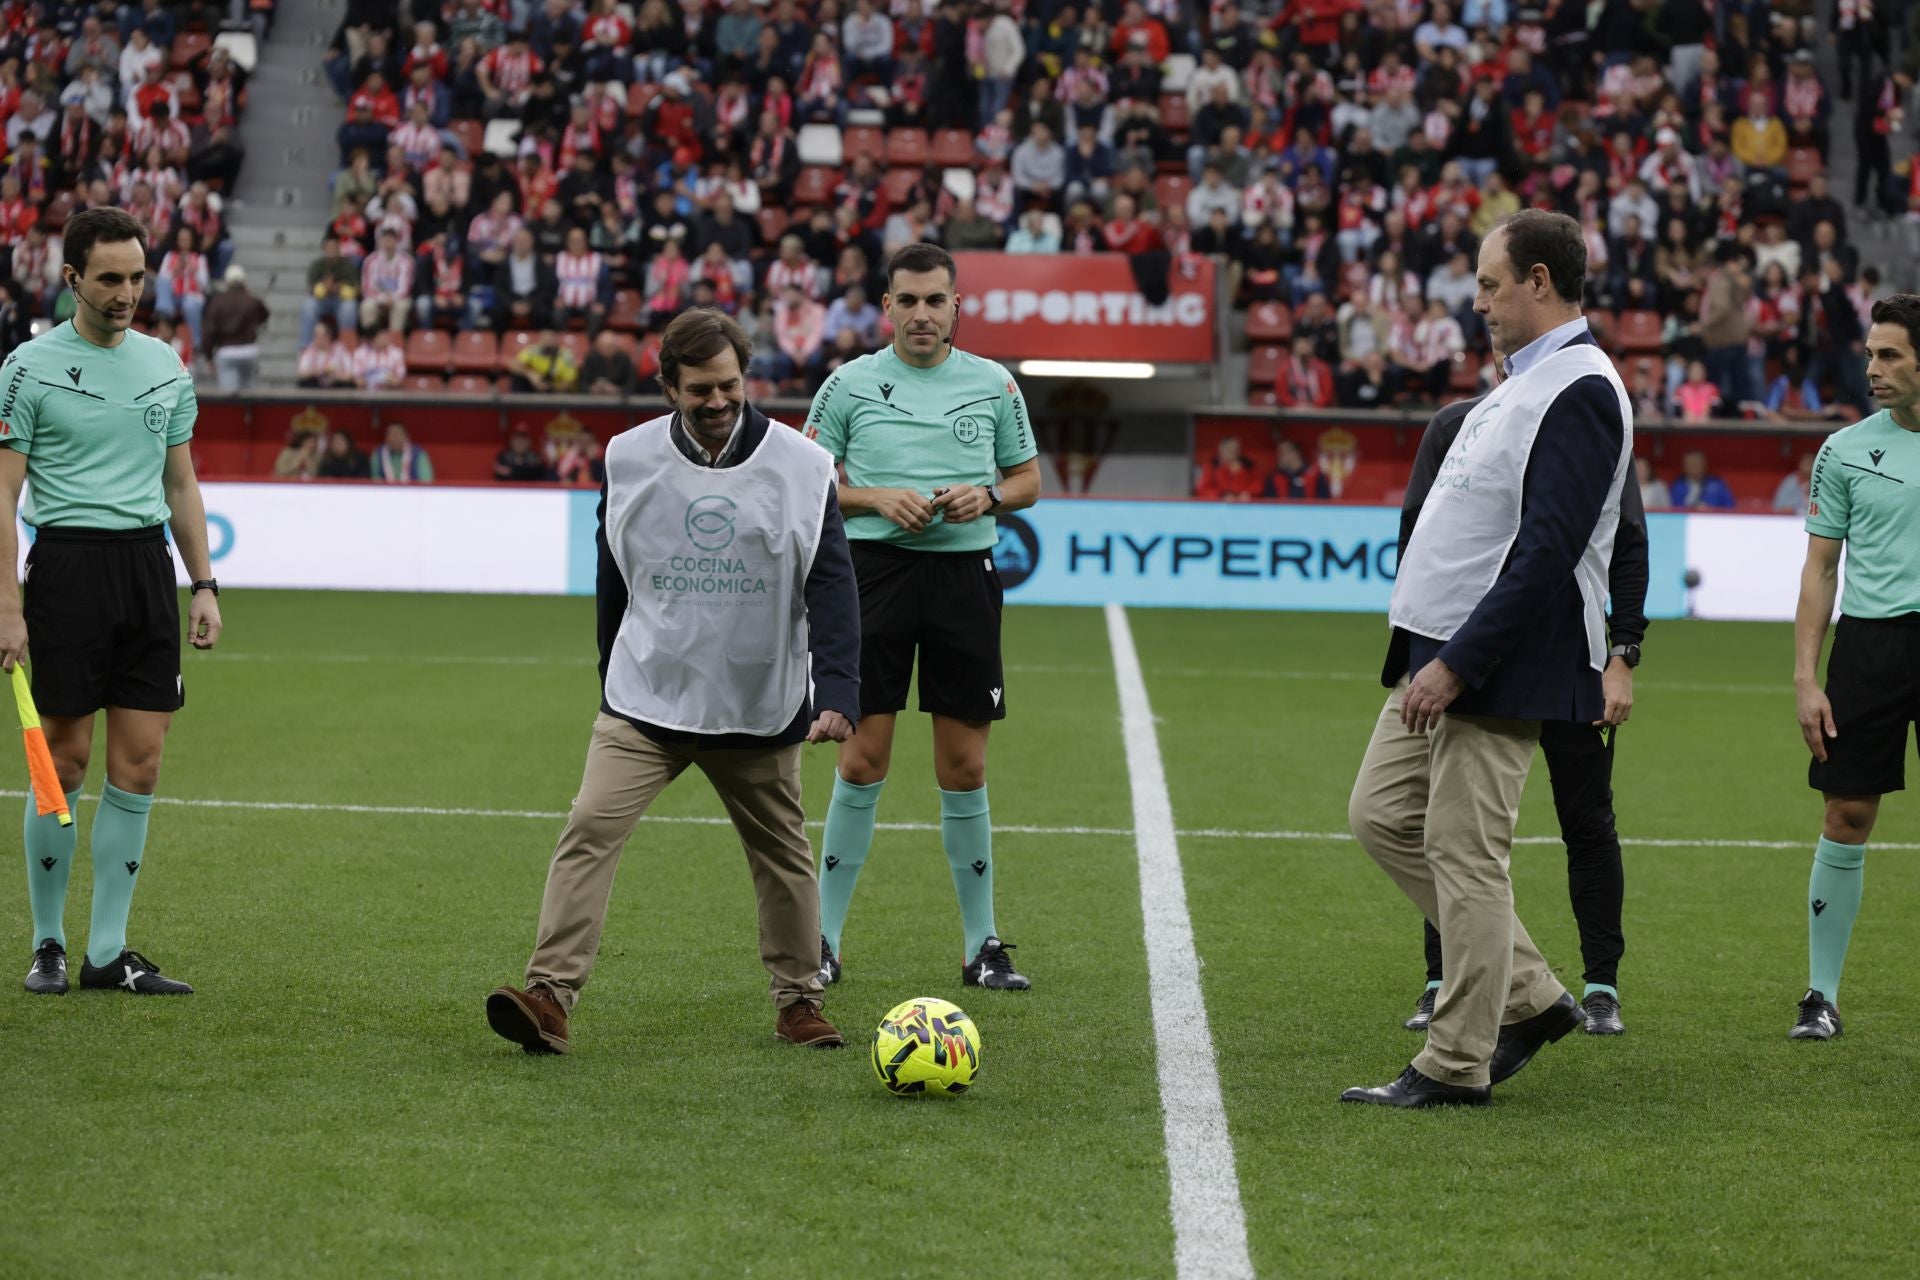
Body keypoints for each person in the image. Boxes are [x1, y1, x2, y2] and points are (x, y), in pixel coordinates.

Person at [486, 307, 860, 1054]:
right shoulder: (628, 457)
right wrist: (610, 673)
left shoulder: (802, 465)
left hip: (757, 703)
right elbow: (611, 571)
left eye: (728, 385)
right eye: (699, 389)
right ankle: (549, 996)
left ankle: (798, 1002)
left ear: (746, 378)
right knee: (589, 828)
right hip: (645, 695)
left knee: (783, 856)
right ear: (669, 388)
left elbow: (831, 583)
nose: (717, 401)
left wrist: (841, 688)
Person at [1343, 210, 1632, 1106]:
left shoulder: (1581, 387)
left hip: (1502, 661)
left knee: (1466, 852)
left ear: (1539, 282)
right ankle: (1534, 995)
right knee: (1380, 816)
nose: (1478, 302)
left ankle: (1456, 1062)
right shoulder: (1524, 383)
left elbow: (1547, 551)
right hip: (1444, 649)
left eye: (1490, 284)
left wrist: (1460, 663)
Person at [803, 243, 1042, 992]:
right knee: (861, 760)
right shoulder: (847, 383)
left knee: (964, 766)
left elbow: (1028, 479)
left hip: (963, 580)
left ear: (955, 306)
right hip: (871, 577)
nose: (921, 314)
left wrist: (988, 496)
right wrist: (875, 497)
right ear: (887, 307)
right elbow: (805, 481)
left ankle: (982, 946)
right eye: (907, 300)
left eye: (935, 300)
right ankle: (821, 940)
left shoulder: (994, 383)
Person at [1391, 363, 1649, 1039]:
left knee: (1586, 821)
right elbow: (1419, 534)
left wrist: (1623, 654)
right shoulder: (1456, 425)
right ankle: (1443, 977)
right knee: (1449, 826)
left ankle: (1601, 986)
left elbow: (1627, 541)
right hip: (1478, 665)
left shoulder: (1582, 418)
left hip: (1570, 663)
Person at [12, 209, 220, 998]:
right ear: (72, 278)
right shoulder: (27, 368)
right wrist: (7, 606)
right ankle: (48, 944)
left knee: (141, 762)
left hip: (146, 570)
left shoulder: (165, 365)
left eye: (136, 277)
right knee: (60, 763)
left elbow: (181, 482)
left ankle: (108, 952)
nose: (126, 292)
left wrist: (203, 584)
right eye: (109, 278)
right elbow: (3, 495)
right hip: (66, 568)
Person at [1788, 294, 1920, 1040]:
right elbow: (1819, 570)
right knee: (1846, 814)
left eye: (1889, 355)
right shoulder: (1842, 451)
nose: (1872, 368)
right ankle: (1821, 996)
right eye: (1870, 354)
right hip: (1869, 648)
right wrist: (1807, 678)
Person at [201, 264, 269, 392]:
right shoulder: (251, 300)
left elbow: (208, 331)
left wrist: (209, 357)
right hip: (249, 350)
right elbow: (264, 315)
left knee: (229, 396)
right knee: (249, 393)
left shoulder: (218, 301)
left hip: (227, 351)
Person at [1671, 449, 1735, 509]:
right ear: (1684, 466)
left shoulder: (1717, 484)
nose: (1694, 465)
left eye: (1697, 462)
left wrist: (1711, 510)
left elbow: (1730, 506)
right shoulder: (1677, 486)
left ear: (1704, 464)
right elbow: (1673, 508)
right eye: (1690, 462)